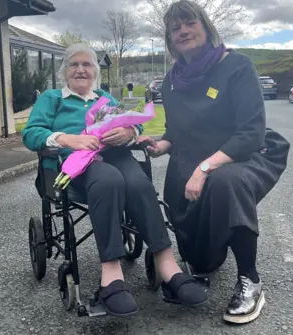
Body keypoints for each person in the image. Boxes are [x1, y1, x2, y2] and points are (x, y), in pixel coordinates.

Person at [22, 43, 208, 317]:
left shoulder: (104, 99)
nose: (81, 69)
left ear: (95, 71)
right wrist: (66, 138)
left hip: (116, 157)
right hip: (77, 165)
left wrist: (128, 131)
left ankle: (168, 266)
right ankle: (111, 276)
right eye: (74, 64)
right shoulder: (52, 99)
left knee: (138, 183)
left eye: (87, 64)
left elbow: (136, 122)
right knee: (109, 180)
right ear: (65, 71)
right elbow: (31, 133)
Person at [138, 0, 290, 324]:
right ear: (169, 39)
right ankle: (202, 261)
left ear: (205, 26)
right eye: (175, 28)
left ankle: (251, 279)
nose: (183, 31)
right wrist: (158, 145)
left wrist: (206, 167)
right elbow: (176, 130)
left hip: (243, 155)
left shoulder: (237, 66)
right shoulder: (171, 81)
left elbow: (251, 132)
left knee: (225, 183)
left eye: (189, 23)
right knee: (200, 257)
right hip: (191, 158)